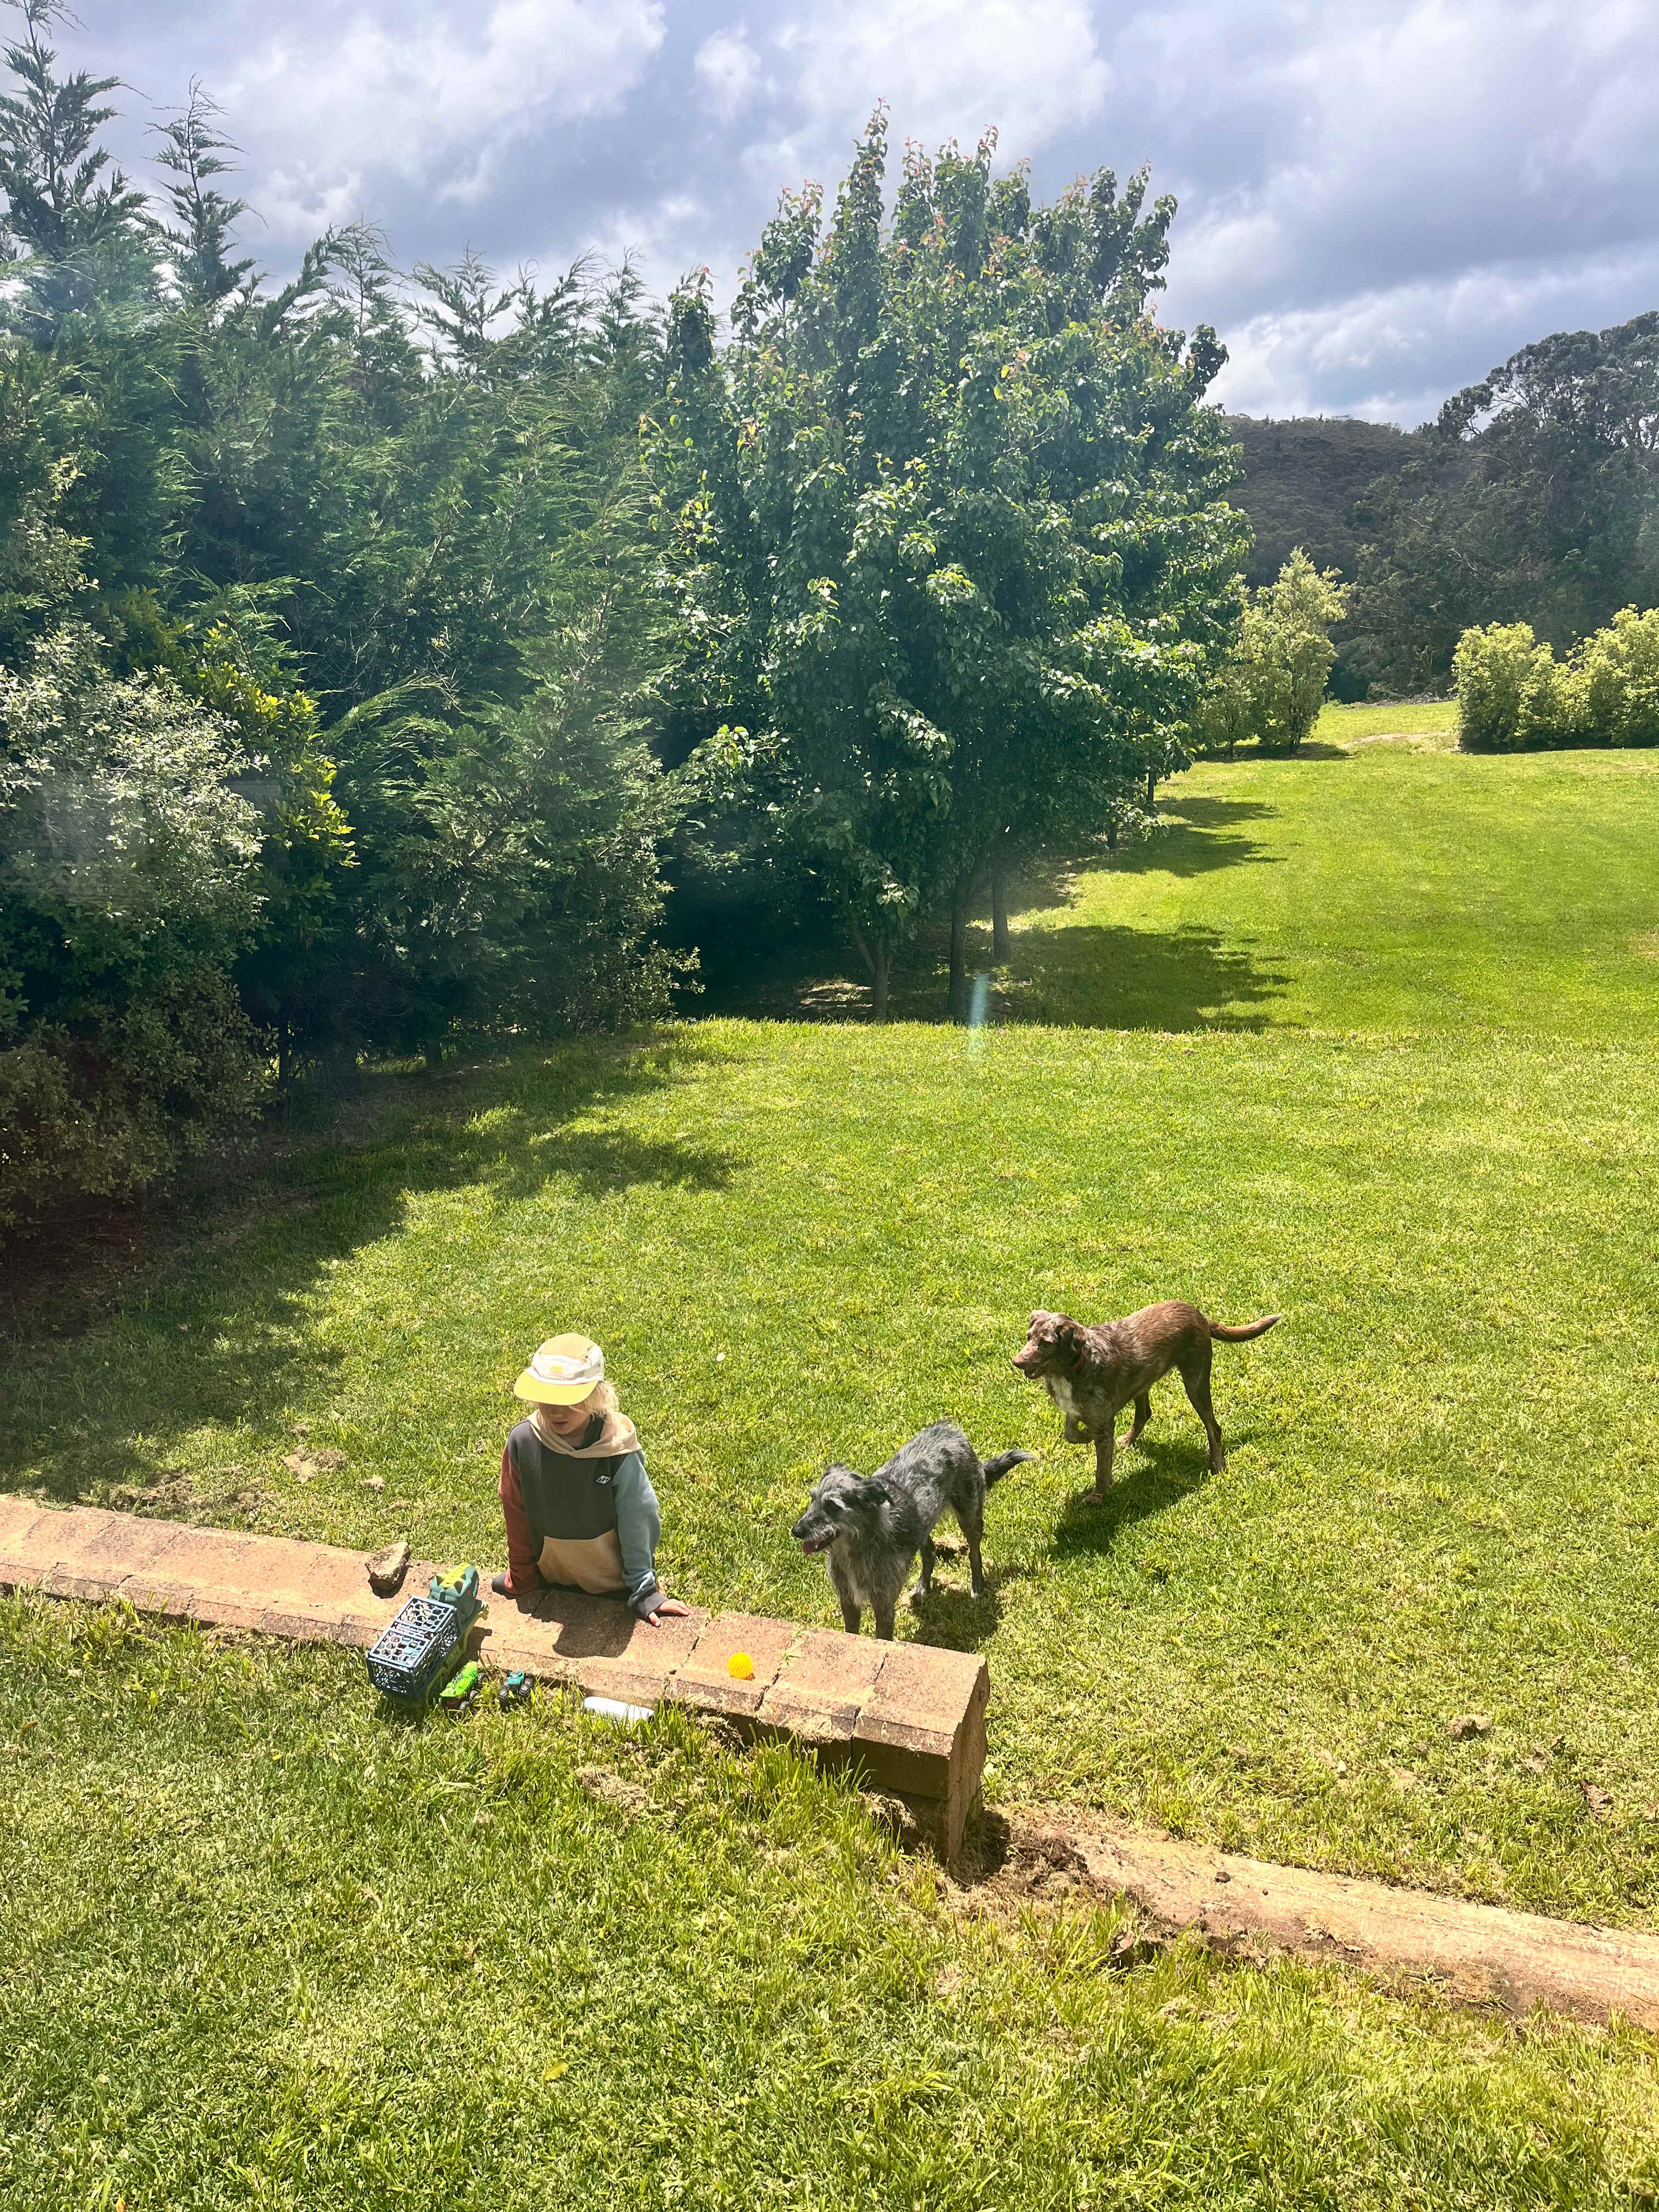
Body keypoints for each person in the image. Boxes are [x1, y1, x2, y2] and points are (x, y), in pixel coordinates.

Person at [494, 1333, 690, 1628]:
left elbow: (638, 1517)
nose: (556, 1411)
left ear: (597, 1394)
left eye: (568, 1401)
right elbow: (515, 1509)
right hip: (552, 1576)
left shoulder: (616, 1448)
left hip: (614, 1584)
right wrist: (522, 1575)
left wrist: (644, 1589)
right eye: (546, 1399)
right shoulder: (524, 1441)